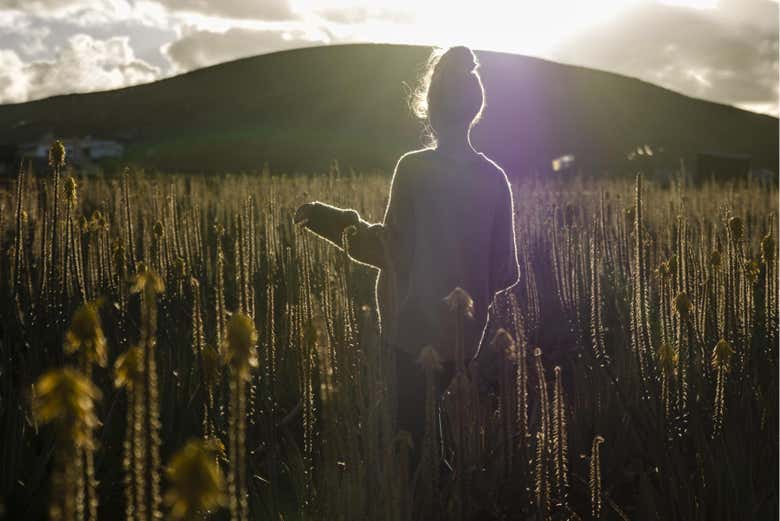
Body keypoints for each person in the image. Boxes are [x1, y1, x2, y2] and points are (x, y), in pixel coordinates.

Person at [294, 45, 519, 465]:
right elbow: (505, 270)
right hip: (463, 340)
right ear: (476, 108)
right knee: (427, 427)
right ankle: (448, 493)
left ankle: (424, 499)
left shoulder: (414, 169)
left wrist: (331, 222)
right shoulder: (495, 179)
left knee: (408, 439)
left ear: (429, 109)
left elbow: (389, 249)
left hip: (411, 332)